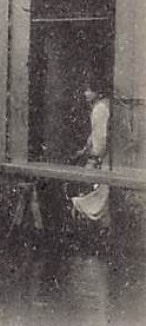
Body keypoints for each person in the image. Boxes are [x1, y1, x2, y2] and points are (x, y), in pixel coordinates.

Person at [68, 84, 112, 223]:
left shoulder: (100, 109)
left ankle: (78, 210)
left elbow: (100, 143)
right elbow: (95, 135)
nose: (85, 93)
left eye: (88, 90)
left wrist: (91, 156)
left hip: (103, 159)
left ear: (98, 92)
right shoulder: (106, 104)